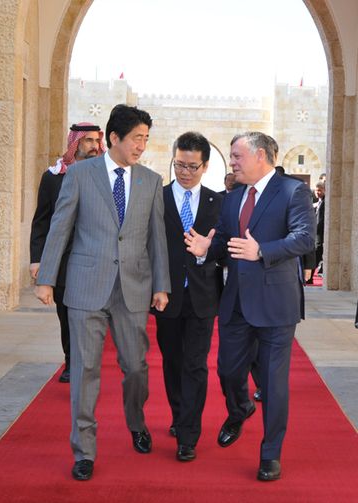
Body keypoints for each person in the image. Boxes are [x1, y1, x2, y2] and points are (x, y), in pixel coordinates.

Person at [35, 104, 171, 481]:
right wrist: (46, 278)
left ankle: (136, 421)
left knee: (136, 368)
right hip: (84, 287)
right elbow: (59, 228)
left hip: (133, 289)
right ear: (114, 138)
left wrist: (162, 285)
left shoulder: (150, 180)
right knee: (85, 370)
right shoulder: (79, 175)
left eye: (146, 138)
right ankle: (84, 450)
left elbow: (156, 239)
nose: (142, 145)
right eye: (136, 138)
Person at [184, 131, 316, 481]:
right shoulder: (233, 198)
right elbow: (227, 242)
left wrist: (264, 251)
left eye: (237, 156)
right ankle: (240, 407)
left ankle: (270, 454)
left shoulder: (292, 191)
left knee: (273, 384)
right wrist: (205, 250)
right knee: (227, 371)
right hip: (237, 303)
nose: (233, 162)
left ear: (260, 156)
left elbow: (304, 237)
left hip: (276, 305)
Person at [152, 132, 223, 462]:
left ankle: (188, 433)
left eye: (192, 166)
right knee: (173, 361)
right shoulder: (158, 197)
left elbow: (222, 249)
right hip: (166, 296)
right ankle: (179, 413)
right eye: (179, 164)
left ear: (205, 166)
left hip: (202, 298)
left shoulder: (217, 202)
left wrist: (204, 253)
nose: (184, 172)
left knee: (195, 364)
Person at [29, 122, 106, 383]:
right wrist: (37, 259)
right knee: (66, 313)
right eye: (88, 141)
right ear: (75, 143)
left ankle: (86, 360)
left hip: (95, 259)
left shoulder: (106, 176)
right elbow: (42, 221)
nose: (95, 146)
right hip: (63, 261)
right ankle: (72, 361)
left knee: (89, 314)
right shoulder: (53, 177)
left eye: (97, 141)